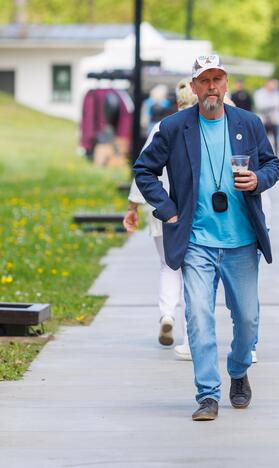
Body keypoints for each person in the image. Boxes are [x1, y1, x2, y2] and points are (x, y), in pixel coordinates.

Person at [134, 54, 279, 421]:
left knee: (247, 319)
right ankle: (207, 395)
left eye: (217, 79)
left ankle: (238, 369)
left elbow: (273, 164)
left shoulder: (248, 123)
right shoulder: (174, 127)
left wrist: (259, 180)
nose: (212, 86)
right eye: (205, 80)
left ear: (226, 83)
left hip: (241, 240)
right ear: (195, 87)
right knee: (199, 317)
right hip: (197, 241)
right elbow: (144, 170)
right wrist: (167, 209)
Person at [123, 79, 196, 353]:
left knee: (168, 265)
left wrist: (132, 207)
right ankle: (191, 335)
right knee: (193, 269)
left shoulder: (161, 127)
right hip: (187, 206)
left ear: (177, 103)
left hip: (160, 205)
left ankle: (167, 315)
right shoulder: (201, 126)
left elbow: (143, 169)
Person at [254, 79, 279, 154]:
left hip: (275, 120)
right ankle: (263, 155)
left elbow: (278, 105)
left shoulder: (277, 94)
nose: (273, 86)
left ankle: (276, 155)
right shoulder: (259, 93)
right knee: (263, 140)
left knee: (276, 140)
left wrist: (270, 107)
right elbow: (260, 106)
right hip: (263, 120)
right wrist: (271, 107)